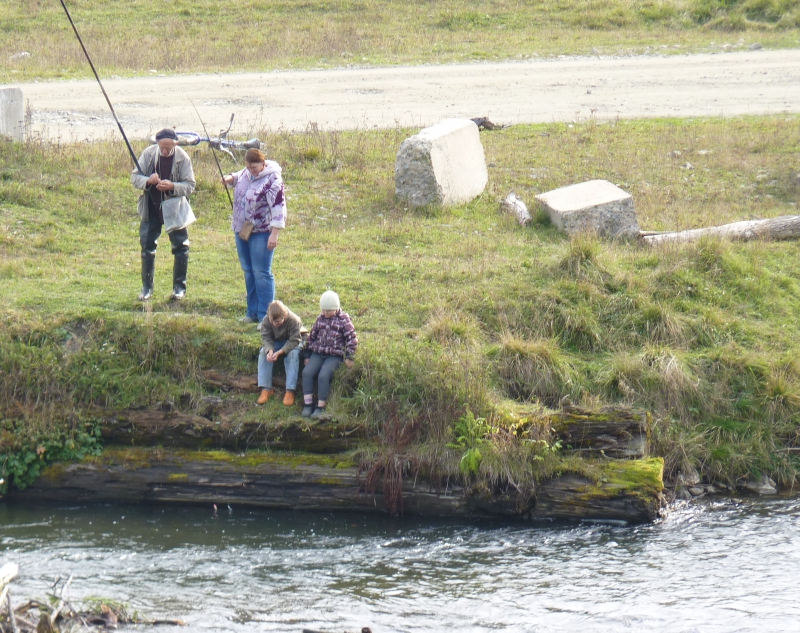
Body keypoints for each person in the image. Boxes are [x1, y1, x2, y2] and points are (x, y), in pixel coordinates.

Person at [131, 128, 196, 301]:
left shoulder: (183, 158)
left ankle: (179, 289)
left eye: (169, 147)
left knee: (181, 247)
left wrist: (172, 186)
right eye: (162, 147)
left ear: (175, 143)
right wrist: (148, 181)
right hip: (151, 207)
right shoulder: (148, 154)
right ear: (157, 143)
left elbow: (190, 185)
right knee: (147, 247)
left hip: (174, 207)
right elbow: (135, 178)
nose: (165, 150)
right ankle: (147, 289)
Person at [222, 148, 286, 324]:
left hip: (262, 232)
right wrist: (229, 179)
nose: (251, 170)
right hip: (242, 230)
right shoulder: (246, 173)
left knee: (262, 273)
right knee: (248, 272)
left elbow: (279, 207)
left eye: (254, 167)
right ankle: (252, 313)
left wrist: (274, 233)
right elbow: (238, 177)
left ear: (263, 163)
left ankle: (267, 316)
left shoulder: (273, 179)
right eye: (248, 167)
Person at [302, 291, 358, 418]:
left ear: (336, 308)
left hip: (334, 355)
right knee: (307, 373)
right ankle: (308, 404)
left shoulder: (344, 320)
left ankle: (320, 406)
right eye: (324, 310)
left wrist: (350, 357)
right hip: (318, 353)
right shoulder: (320, 319)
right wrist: (307, 354)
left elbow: (352, 339)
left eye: (329, 311)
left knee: (323, 376)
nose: (326, 313)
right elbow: (312, 337)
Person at [257, 300, 303, 406]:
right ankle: (266, 389)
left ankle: (290, 391)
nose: (275, 325)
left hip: (293, 342)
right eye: (273, 322)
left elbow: (295, 340)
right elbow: (266, 337)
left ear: (284, 316)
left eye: (278, 322)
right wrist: (270, 350)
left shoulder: (293, 320)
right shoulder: (267, 320)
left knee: (293, 355)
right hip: (276, 342)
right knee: (263, 353)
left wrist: (280, 352)